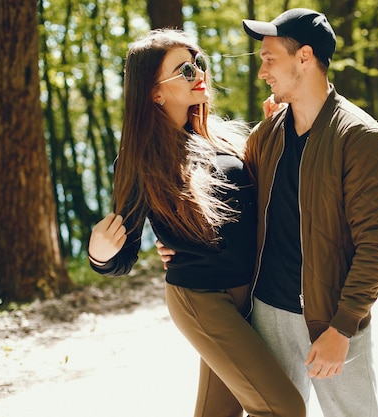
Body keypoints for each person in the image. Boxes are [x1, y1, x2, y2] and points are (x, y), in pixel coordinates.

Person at [157, 8, 378, 416]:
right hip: (268, 311)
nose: (262, 72)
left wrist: (342, 326)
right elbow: (236, 207)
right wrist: (181, 242)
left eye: (270, 59)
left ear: (304, 57)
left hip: (331, 319)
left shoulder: (361, 139)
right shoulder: (265, 136)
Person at [87, 29, 305, 417]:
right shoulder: (140, 161)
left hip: (251, 291)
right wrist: (99, 254)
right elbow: (122, 256)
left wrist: (270, 134)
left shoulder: (217, 137)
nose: (198, 73)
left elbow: (252, 200)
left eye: (198, 64)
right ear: (154, 92)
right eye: (185, 70)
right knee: (283, 407)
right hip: (203, 298)